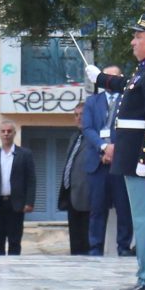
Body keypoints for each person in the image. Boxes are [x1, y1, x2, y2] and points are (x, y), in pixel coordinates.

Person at [86, 13, 145, 290]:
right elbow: (129, 87)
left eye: (138, 37)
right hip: (135, 154)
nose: (133, 41)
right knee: (143, 220)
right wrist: (101, 78)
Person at [82, 66, 133, 256]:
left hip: (120, 161)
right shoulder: (92, 102)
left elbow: (130, 128)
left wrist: (115, 149)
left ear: (120, 78)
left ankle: (124, 246)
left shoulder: (128, 100)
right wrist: (104, 147)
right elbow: (87, 129)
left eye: (113, 76)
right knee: (97, 208)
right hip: (97, 161)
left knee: (124, 207)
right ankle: (95, 247)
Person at [0, 120, 37, 255]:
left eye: (9, 131)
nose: (6, 134)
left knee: (15, 240)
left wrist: (29, 202)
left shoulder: (25, 154)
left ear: (14, 133)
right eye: (3, 131)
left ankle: (14, 269)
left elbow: (31, 179)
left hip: (16, 203)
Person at [58, 103, 90, 255]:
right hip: (71, 194)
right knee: (75, 242)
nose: (79, 118)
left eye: (82, 114)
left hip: (87, 195)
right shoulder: (75, 137)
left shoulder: (93, 138)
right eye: (76, 115)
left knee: (86, 239)